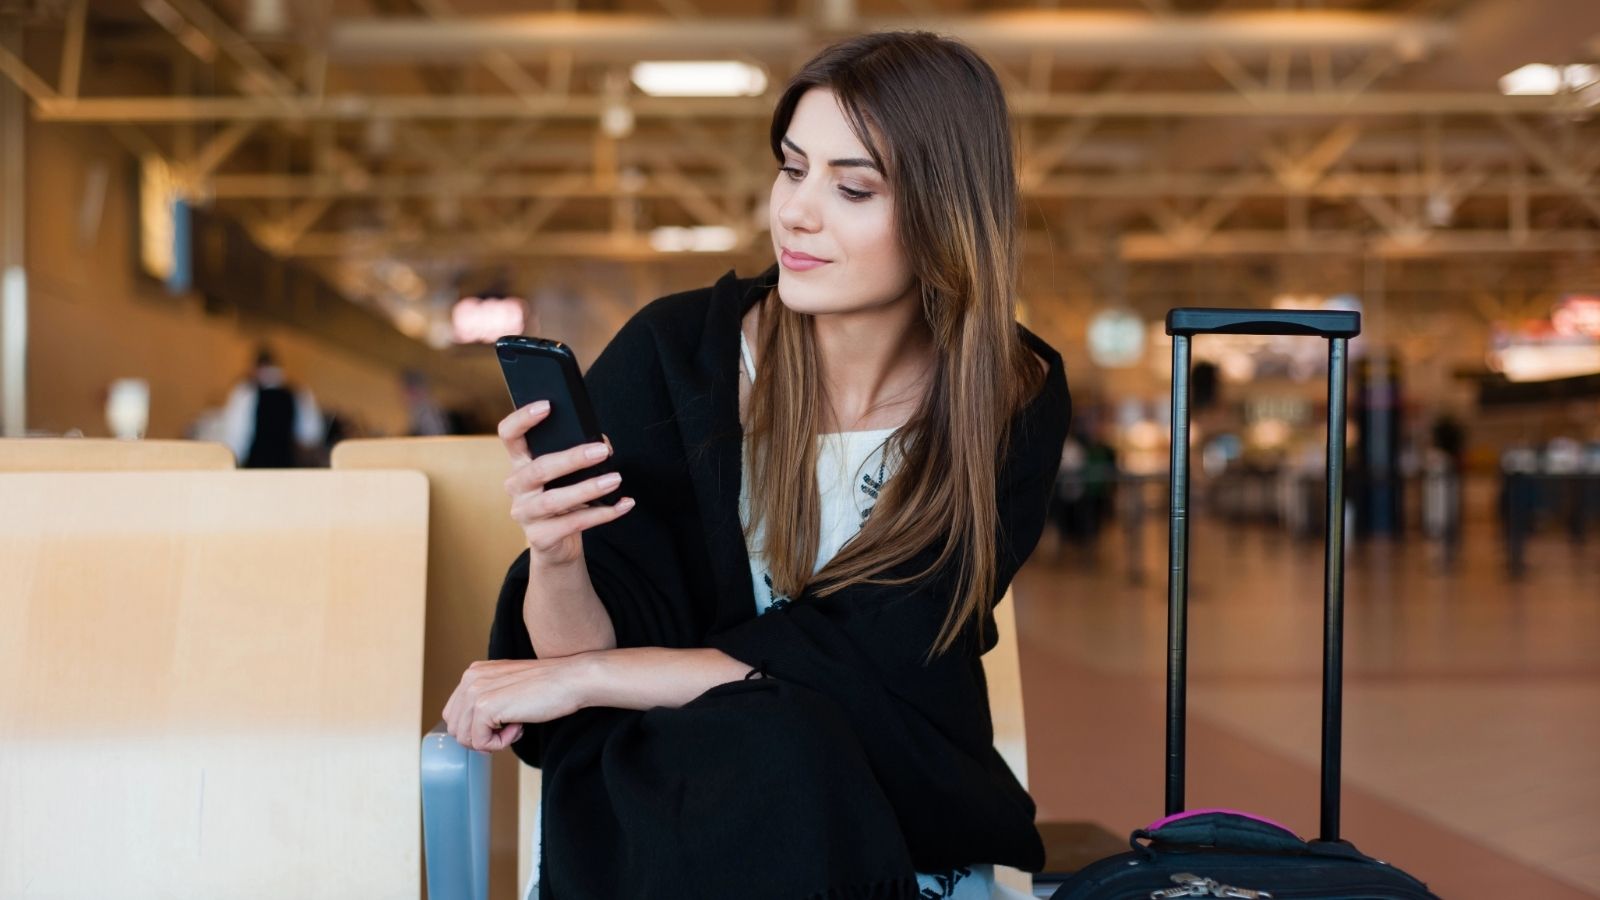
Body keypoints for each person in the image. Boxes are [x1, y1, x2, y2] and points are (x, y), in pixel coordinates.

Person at [444, 32, 1071, 900]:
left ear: (946, 213)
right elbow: (587, 661)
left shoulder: (1004, 395)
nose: (796, 213)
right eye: (792, 169)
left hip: (895, 807)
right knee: (759, 745)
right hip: (685, 810)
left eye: (852, 187)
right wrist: (558, 557)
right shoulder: (673, 357)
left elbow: (863, 656)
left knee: (781, 738)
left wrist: (589, 676)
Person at [219, 347, 323, 468]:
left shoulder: (244, 394)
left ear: (254, 368)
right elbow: (310, 435)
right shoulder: (298, 393)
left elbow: (235, 437)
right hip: (287, 466)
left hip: (255, 465)